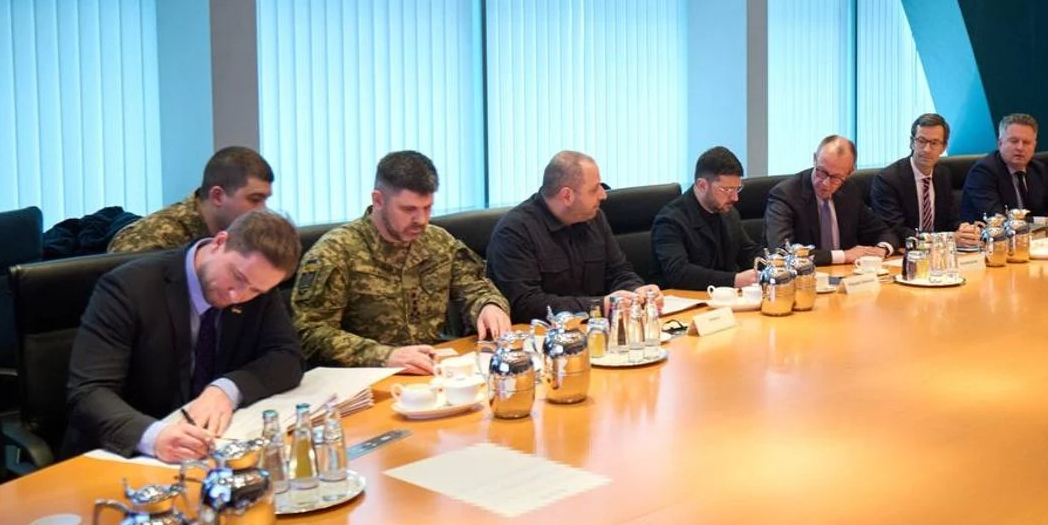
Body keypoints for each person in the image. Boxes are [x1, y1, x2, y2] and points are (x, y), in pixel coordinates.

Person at [63, 210, 303, 463]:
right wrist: (154, 436)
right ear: (219, 242)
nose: (238, 296)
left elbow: (287, 356)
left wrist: (226, 389)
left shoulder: (257, 284)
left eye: (255, 290)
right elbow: (88, 393)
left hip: (205, 449)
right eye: (237, 277)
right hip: (126, 453)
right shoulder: (127, 288)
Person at [291, 151, 511, 375]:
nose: (421, 220)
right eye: (409, 209)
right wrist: (384, 356)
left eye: (427, 208)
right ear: (378, 200)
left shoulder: (438, 242)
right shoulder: (335, 252)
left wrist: (488, 306)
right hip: (367, 378)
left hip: (432, 369)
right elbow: (309, 333)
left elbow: (474, 286)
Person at [486, 151, 660, 322]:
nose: (603, 195)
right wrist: (598, 306)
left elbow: (619, 272)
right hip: (547, 334)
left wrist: (636, 291)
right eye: (594, 189)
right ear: (567, 196)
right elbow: (526, 304)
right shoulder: (515, 231)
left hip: (599, 329)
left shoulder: (594, 218)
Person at [109, 146, 274, 253]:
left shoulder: (241, 234)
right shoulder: (151, 239)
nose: (263, 209)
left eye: (265, 199)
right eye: (255, 199)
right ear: (217, 196)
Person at [764, 135, 898, 267]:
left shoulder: (849, 191)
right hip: (805, 276)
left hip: (846, 275)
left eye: (836, 177)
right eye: (821, 172)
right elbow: (781, 252)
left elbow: (884, 232)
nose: (825, 183)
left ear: (849, 172)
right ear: (814, 159)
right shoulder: (786, 194)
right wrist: (844, 256)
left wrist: (881, 249)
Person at [651, 146, 761, 291]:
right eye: (727, 189)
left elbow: (748, 254)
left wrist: (773, 266)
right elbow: (679, 273)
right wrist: (734, 280)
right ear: (702, 185)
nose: (735, 198)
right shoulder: (670, 220)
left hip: (726, 299)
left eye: (737, 189)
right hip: (686, 299)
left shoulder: (729, 213)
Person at [869, 114, 982, 246]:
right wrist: (947, 239)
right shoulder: (888, 180)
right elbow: (896, 230)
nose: (927, 149)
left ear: (944, 147)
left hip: (939, 253)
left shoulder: (943, 175)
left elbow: (951, 220)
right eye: (921, 141)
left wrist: (963, 229)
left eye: (934, 143)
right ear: (912, 142)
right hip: (906, 252)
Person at [958, 113, 1048, 223]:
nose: (1020, 147)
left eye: (1026, 142)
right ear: (1000, 143)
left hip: (1033, 236)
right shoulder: (983, 172)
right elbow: (997, 220)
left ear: (1034, 146)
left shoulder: (1038, 169)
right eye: (1014, 141)